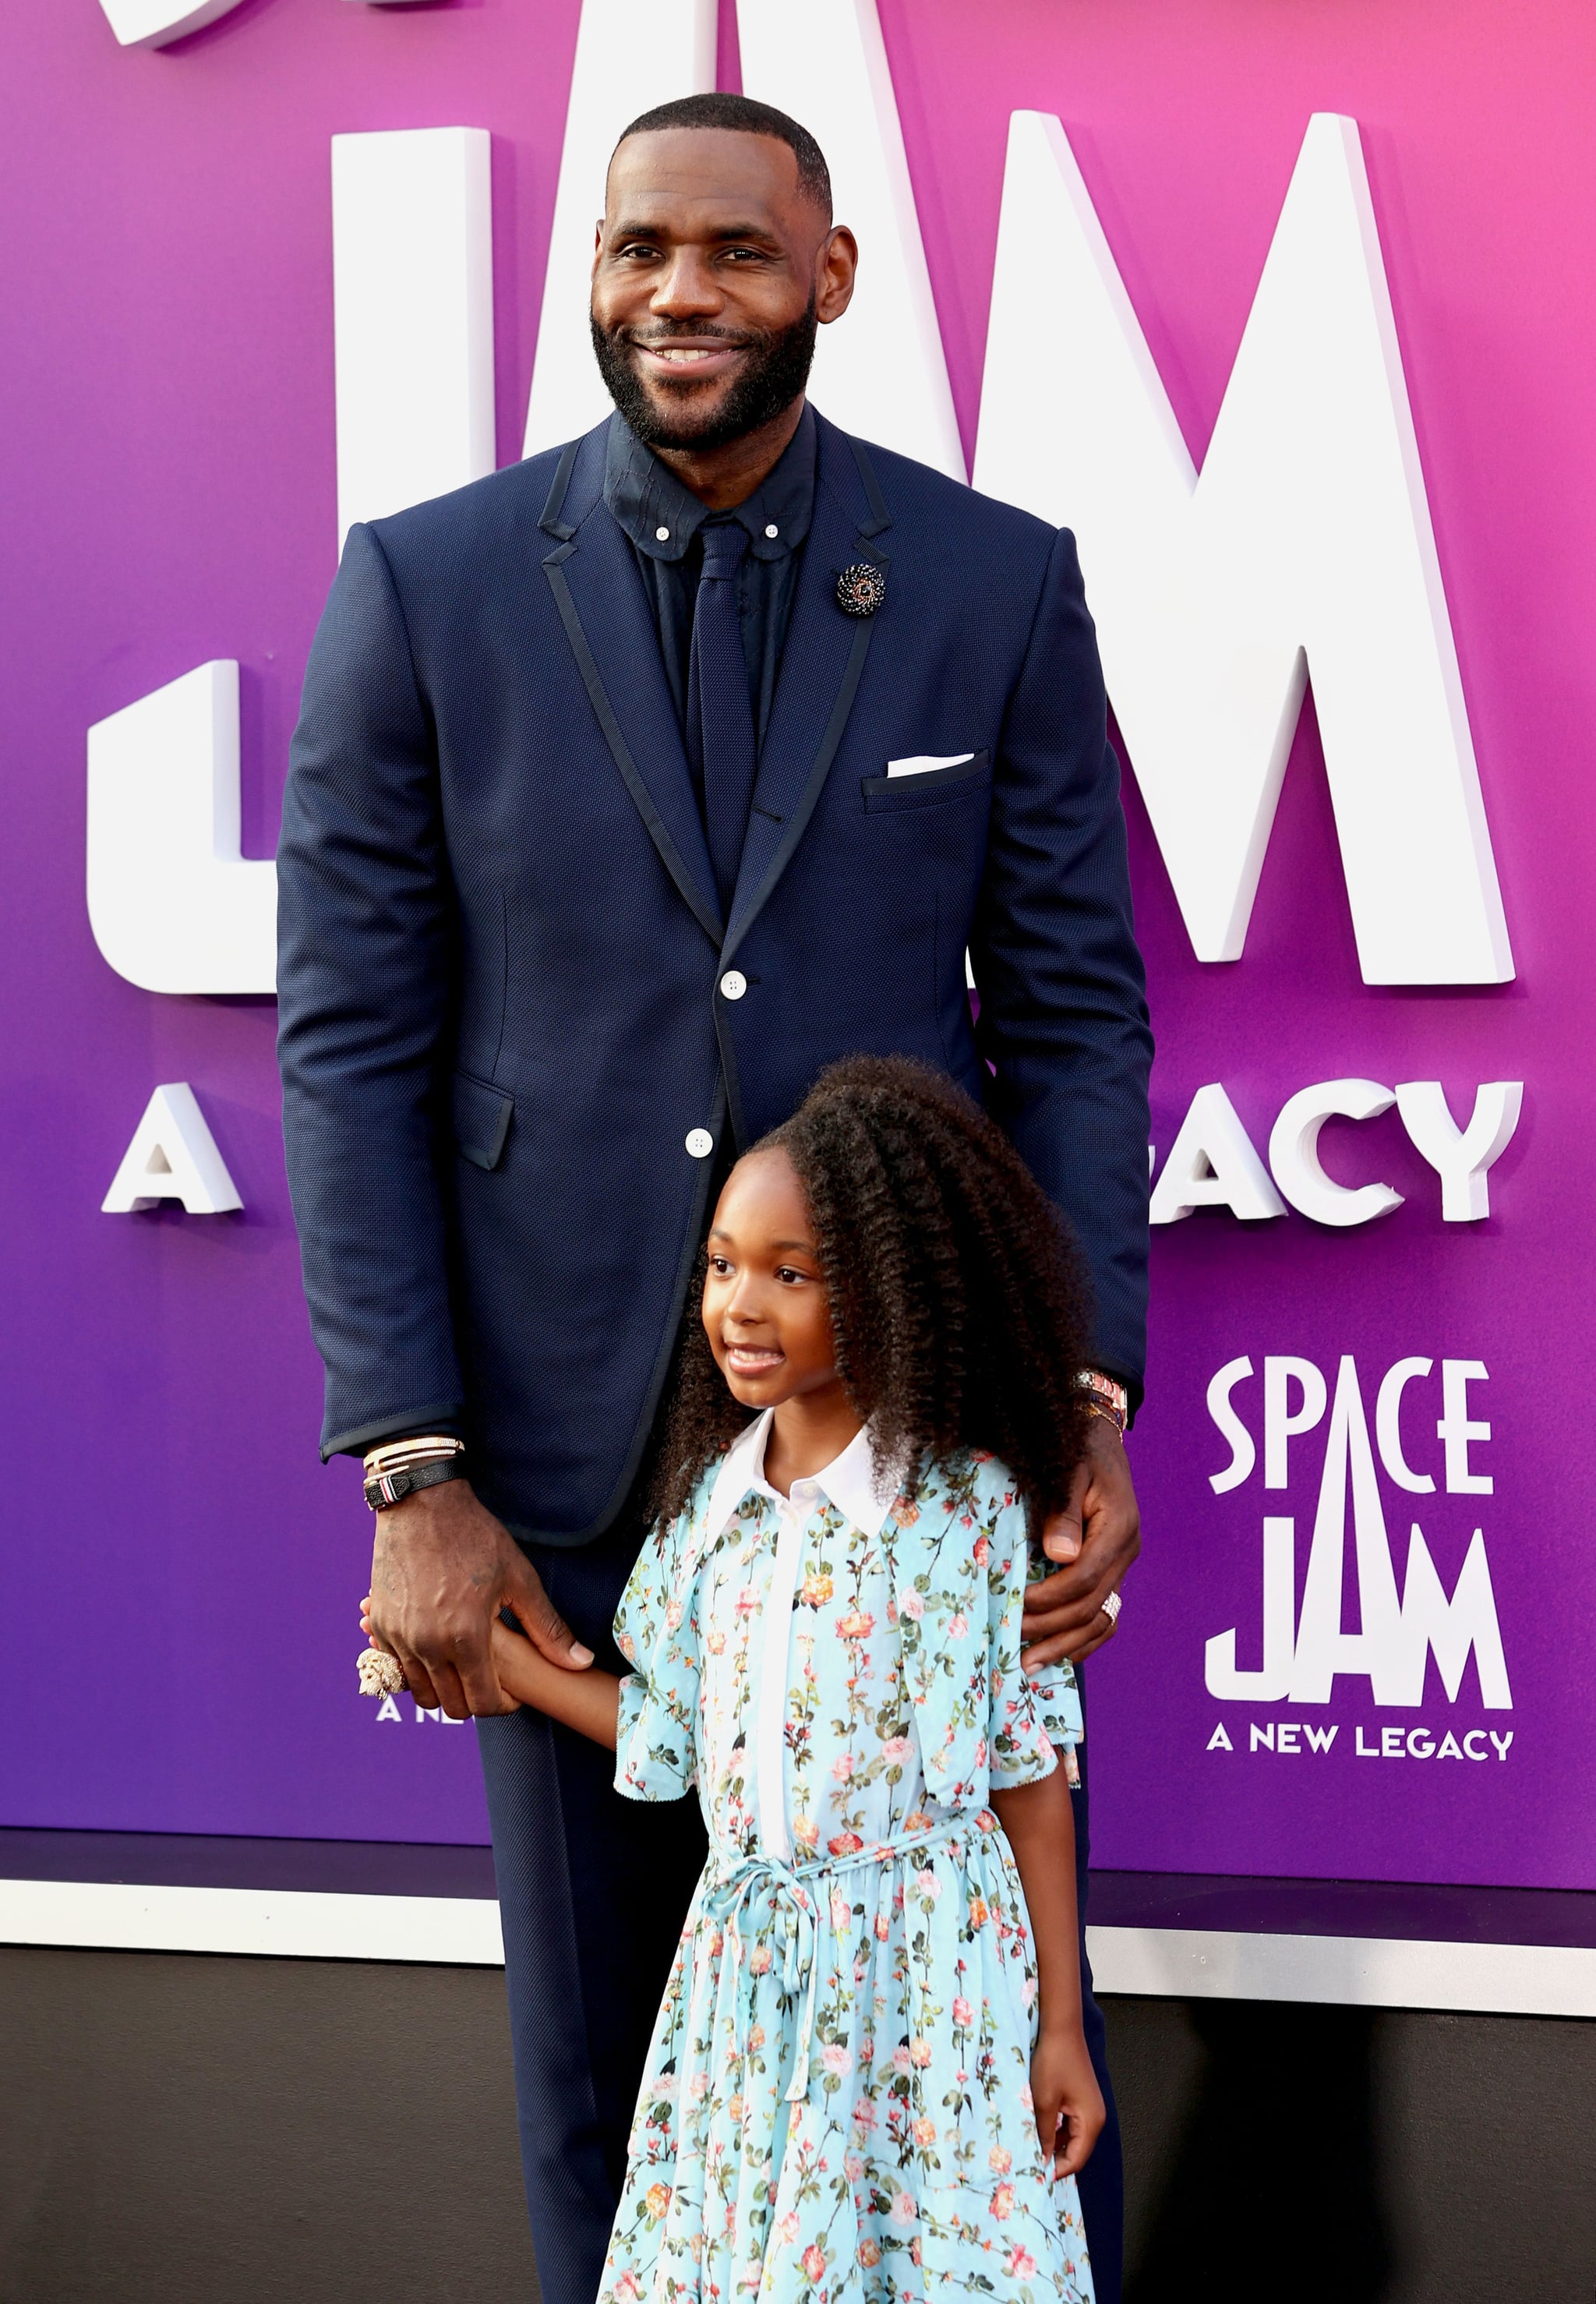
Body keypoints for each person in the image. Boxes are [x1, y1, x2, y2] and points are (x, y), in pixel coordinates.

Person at [277, 88, 1151, 2304]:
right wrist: (414, 1468)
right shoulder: (426, 582)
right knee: (606, 2074)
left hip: (914, 1439)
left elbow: (1071, 1017)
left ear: (832, 276)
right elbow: (352, 1041)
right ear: (590, 269)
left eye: (740, 253)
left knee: (986, 2069)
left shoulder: (992, 579)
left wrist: (1079, 1408)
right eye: (640, 248)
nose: (684, 292)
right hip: (557, 1455)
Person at [364, 1058, 1104, 2304]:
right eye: (720, 1266)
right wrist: (491, 1661)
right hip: (749, 1997)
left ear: (889, 1293)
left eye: (792, 1272)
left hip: (936, 1998)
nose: (740, 1307)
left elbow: (1029, 1772)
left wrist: (1062, 2026)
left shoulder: (969, 1512)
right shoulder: (705, 1515)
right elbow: (670, 1732)